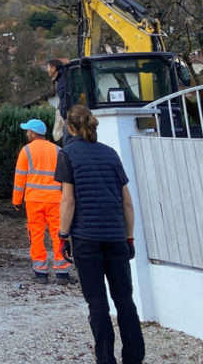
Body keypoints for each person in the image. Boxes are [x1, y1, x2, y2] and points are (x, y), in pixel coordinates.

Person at [55, 105, 145, 364]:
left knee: (98, 304)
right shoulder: (111, 154)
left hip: (87, 239)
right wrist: (129, 237)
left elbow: (68, 201)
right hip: (116, 236)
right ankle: (134, 357)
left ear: (69, 128)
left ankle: (105, 358)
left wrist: (63, 235)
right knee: (125, 300)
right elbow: (127, 202)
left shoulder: (68, 155)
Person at [12, 117, 70, 284]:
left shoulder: (26, 150)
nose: (26, 133)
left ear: (33, 133)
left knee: (36, 234)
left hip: (34, 201)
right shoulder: (58, 150)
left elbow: (20, 179)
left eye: (27, 131)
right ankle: (62, 272)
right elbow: (65, 177)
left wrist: (16, 202)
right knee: (59, 234)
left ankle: (41, 272)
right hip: (55, 200)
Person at [48, 58, 72, 145]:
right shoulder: (63, 78)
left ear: (54, 68)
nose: (47, 70)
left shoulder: (62, 81)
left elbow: (65, 99)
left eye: (48, 67)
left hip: (68, 118)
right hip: (69, 117)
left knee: (67, 143)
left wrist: (65, 116)